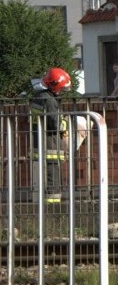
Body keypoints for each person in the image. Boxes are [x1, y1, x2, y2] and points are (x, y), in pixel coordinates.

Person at [30, 67, 72, 203]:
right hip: (50, 143)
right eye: (61, 88)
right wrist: (65, 123)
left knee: (40, 177)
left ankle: (40, 203)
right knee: (52, 174)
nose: (61, 91)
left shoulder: (37, 97)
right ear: (55, 85)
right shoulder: (50, 101)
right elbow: (55, 124)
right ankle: (53, 207)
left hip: (38, 140)